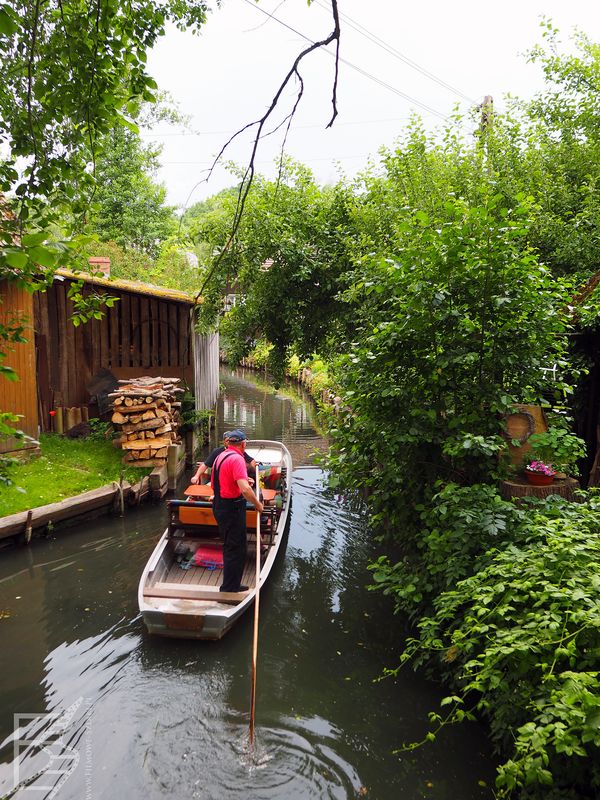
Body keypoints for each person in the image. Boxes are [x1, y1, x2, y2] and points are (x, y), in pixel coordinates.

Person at [211, 429, 263, 593]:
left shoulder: (221, 456)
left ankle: (230, 584)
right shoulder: (237, 459)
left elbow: (215, 483)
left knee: (230, 546)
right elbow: (246, 490)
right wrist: (257, 504)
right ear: (243, 444)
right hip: (232, 508)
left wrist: (240, 480)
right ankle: (230, 587)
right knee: (236, 548)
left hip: (220, 506)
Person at [190, 431, 257, 485]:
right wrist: (196, 476)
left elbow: (251, 461)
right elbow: (205, 464)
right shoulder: (220, 453)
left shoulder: (227, 455)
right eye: (227, 440)